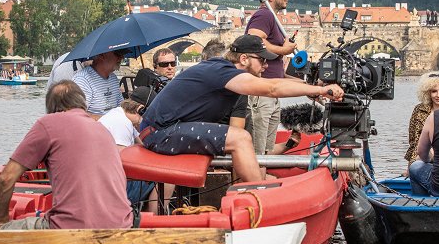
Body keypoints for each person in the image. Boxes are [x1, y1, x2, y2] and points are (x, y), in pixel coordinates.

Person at [140, 34, 344, 182]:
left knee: (239, 136)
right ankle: (259, 195)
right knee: (241, 138)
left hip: (162, 131)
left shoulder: (223, 70)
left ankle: (250, 190)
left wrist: (314, 89)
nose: (265, 66)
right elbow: (272, 88)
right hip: (159, 134)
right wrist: (322, 89)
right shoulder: (223, 71)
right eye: (262, 60)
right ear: (244, 59)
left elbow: (276, 81)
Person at [0, 80, 133, 244]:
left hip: (72, 229)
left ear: (52, 108)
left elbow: (6, 178)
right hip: (122, 225)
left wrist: (0, 221)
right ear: (82, 104)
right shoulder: (102, 129)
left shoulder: (49, 122)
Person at [245, 0, 297, 155]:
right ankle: (256, 181)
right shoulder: (264, 14)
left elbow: (280, 73)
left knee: (266, 152)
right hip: (261, 93)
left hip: (271, 93)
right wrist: (284, 49)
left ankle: (262, 179)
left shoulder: (271, 17)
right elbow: (254, 40)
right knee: (258, 152)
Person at [98, 86, 159, 209]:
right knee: (166, 179)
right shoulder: (121, 123)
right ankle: (154, 221)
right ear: (140, 109)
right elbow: (123, 163)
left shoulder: (119, 114)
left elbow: (142, 144)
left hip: (105, 184)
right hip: (112, 192)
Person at [403, 72, 439, 176]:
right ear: (428, 93)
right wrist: (410, 166)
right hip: (421, 157)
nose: (438, 95)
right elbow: (414, 140)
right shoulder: (419, 110)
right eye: (434, 91)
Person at [72, 49, 127, 119]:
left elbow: (121, 106)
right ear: (101, 55)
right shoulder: (82, 80)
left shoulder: (113, 77)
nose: (122, 57)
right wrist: (108, 120)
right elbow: (77, 114)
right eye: (118, 54)